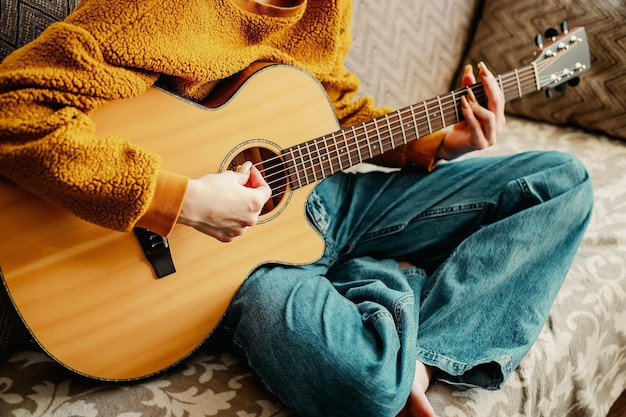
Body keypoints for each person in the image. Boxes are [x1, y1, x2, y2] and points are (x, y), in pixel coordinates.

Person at [0, 0, 593, 416]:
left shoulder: (323, 7)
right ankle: (380, 283)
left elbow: (329, 106)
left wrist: (437, 142)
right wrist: (182, 201)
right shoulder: (151, 9)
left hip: (327, 200)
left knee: (559, 182)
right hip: (230, 266)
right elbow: (14, 111)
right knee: (365, 388)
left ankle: (424, 357)